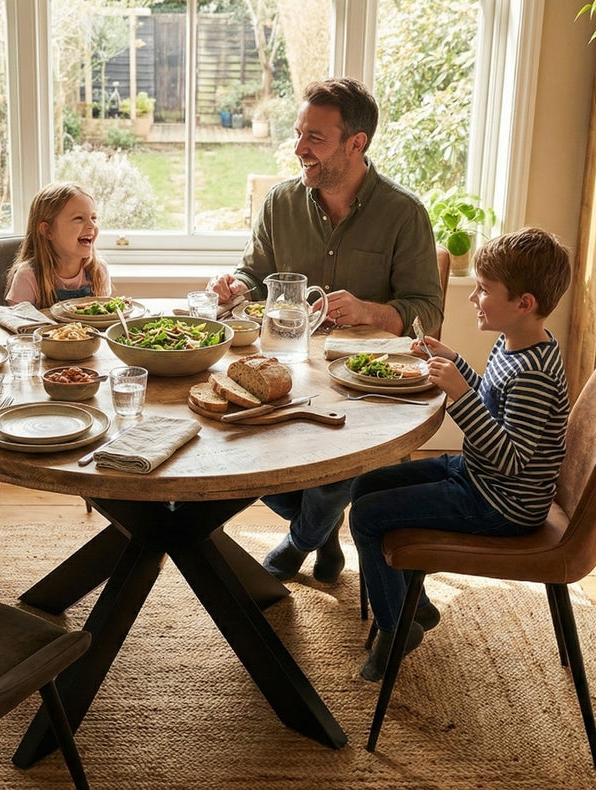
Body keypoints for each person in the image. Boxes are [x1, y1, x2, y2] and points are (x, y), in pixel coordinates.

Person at [207, 77, 444, 582]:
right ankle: (325, 529)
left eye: (314, 137)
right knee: (234, 438)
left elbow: (428, 312)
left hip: (367, 387)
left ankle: (299, 542)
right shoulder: (279, 204)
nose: (298, 149)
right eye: (298, 134)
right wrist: (234, 288)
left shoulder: (405, 214)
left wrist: (369, 312)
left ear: (356, 143)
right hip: (284, 371)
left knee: (345, 456)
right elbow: (254, 274)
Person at [348, 227, 572, 681]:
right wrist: (455, 362)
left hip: (502, 504)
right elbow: (493, 400)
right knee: (366, 484)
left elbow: (510, 458)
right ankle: (418, 605)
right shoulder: (518, 343)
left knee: (368, 515)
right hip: (480, 477)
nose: (474, 298)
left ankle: (397, 629)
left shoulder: (534, 374)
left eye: (485, 291)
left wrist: (458, 393)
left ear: (523, 303)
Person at [5, 181, 114, 307]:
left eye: (93, 218)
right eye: (79, 218)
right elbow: (18, 324)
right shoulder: (28, 276)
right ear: (48, 230)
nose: (92, 226)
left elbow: (104, 320)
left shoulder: (99, 271)